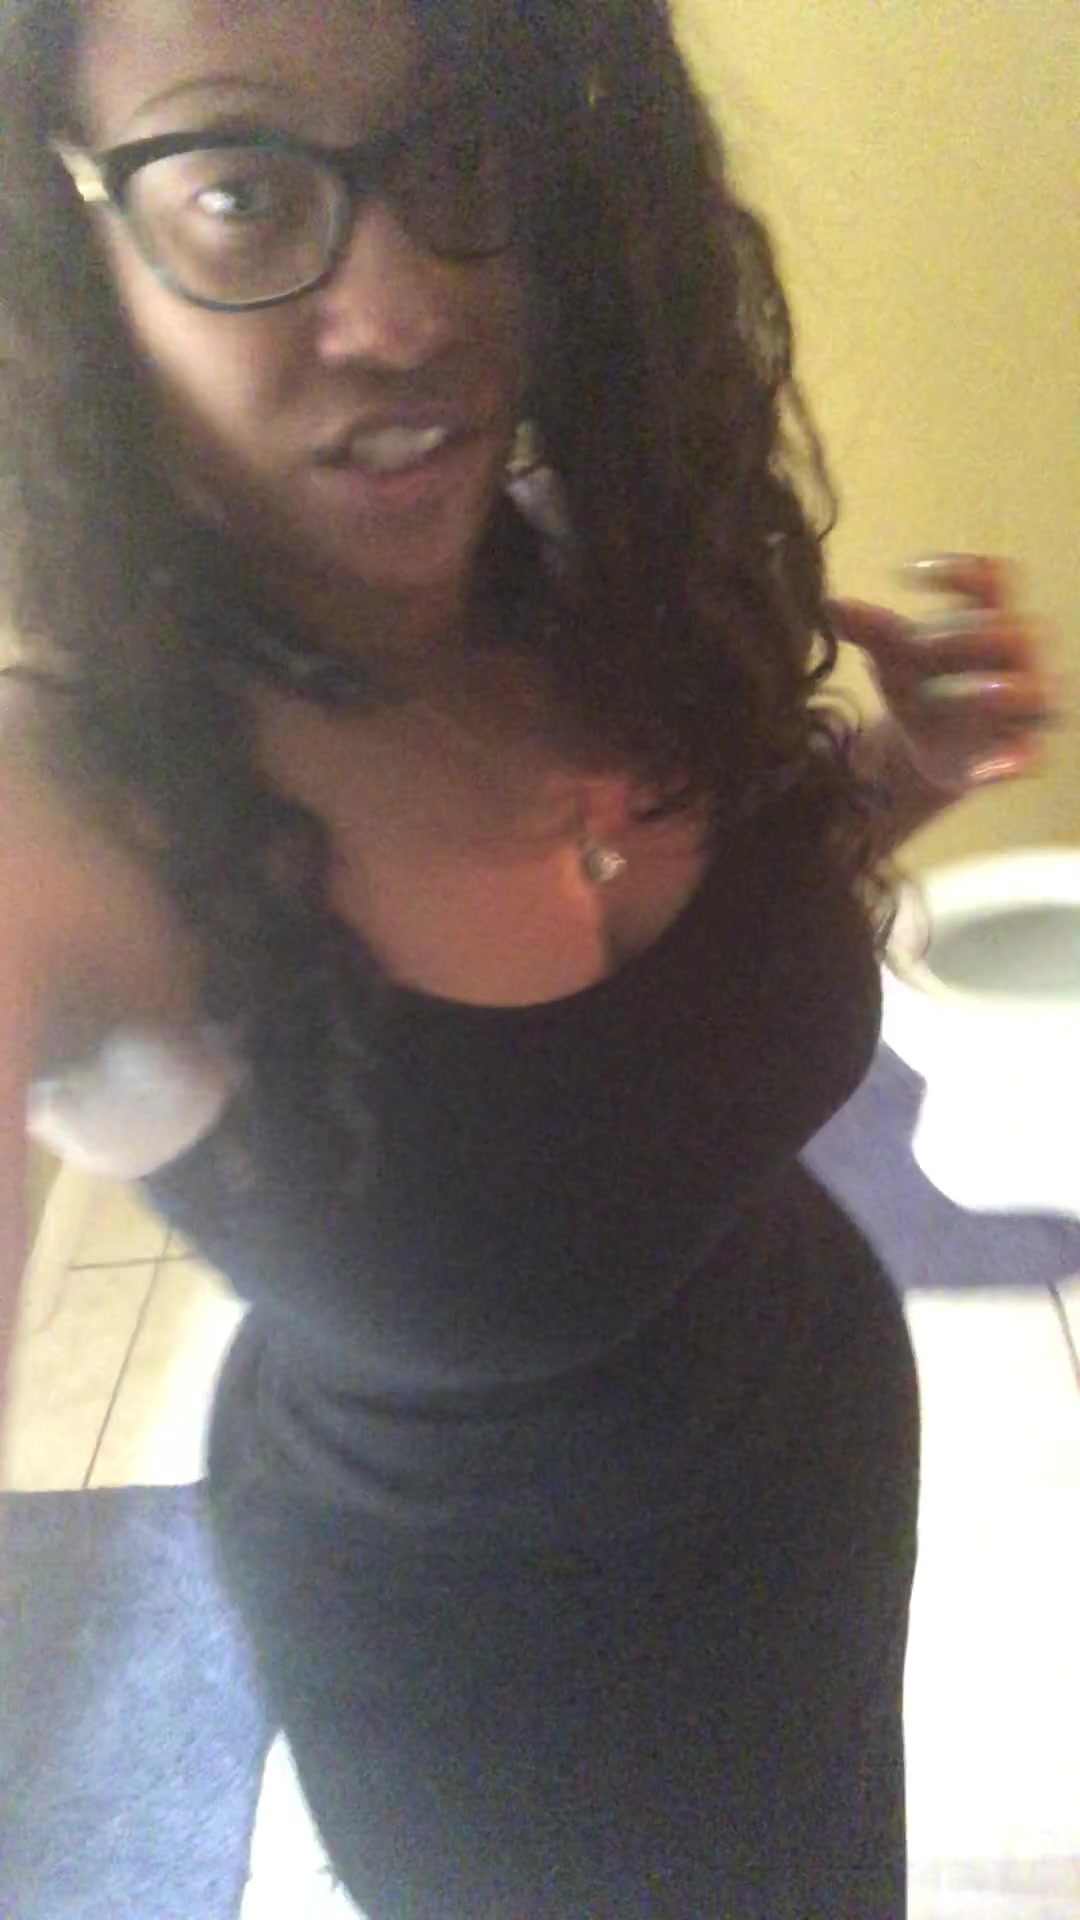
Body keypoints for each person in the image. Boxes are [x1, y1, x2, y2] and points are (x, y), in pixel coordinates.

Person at [0, 1, 1055, 1913]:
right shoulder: (67, 822)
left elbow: (681, 1001)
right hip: (490, 1677)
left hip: (815, 1469)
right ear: (67, 249)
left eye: (464, 157)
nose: (409, 308)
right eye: (240, 189)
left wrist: (901, 768)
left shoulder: (588, 571)